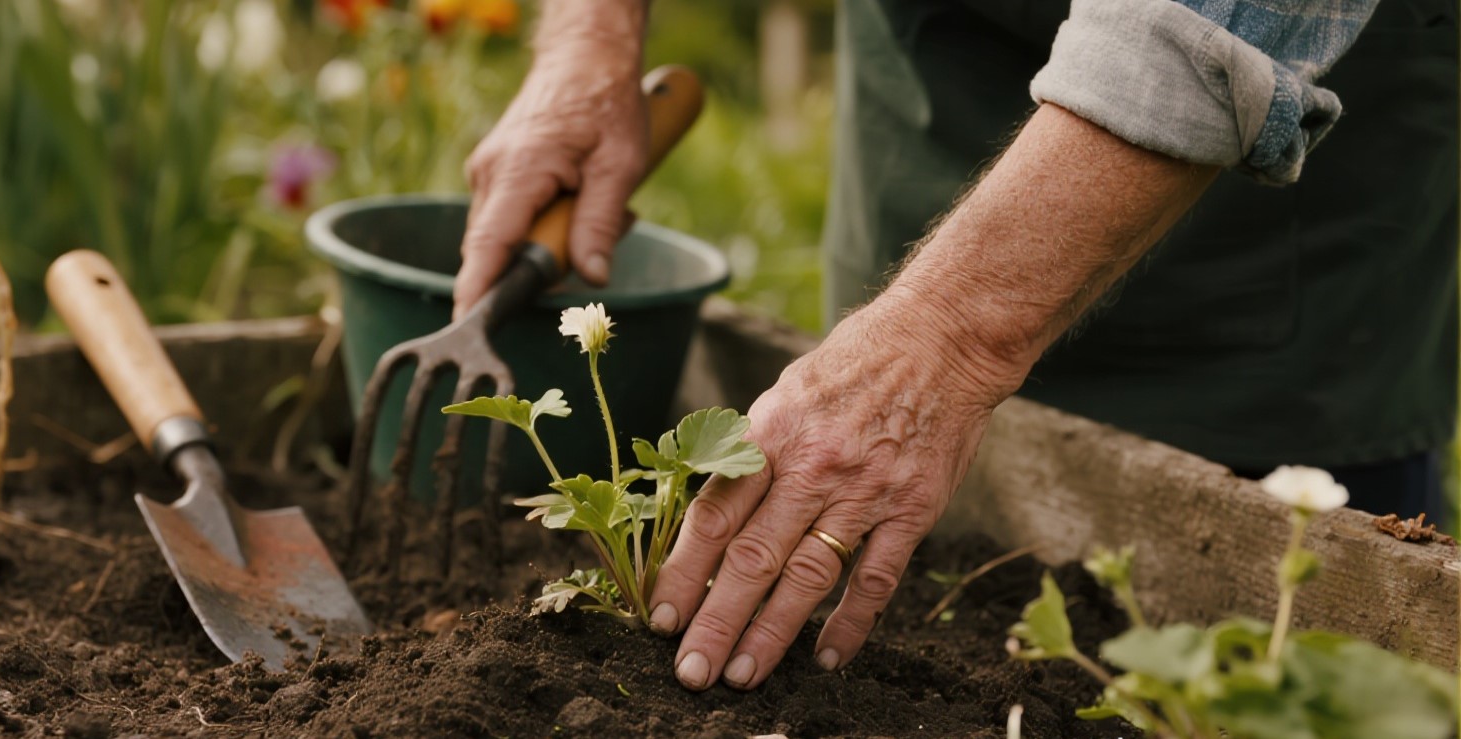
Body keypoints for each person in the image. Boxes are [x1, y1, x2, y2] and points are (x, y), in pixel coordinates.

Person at [452, 0, 1459, 692]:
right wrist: (585, 43)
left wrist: (941, 338)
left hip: (1270, 238)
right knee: (854, 493)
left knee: (1296, 630)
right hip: (932, 87)